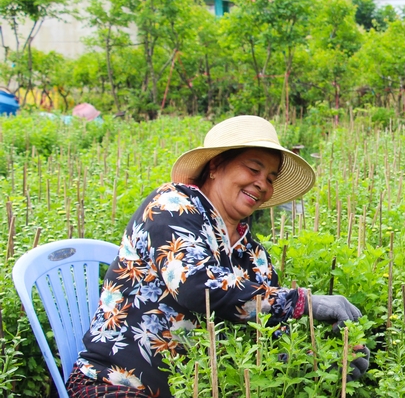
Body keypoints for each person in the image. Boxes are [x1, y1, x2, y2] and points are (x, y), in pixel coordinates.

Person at [66, 115, 368, 397]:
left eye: (271, 177)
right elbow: (197, 288)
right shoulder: (172, 205)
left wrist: (320, 365)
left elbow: (267, 335)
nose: (262, 183)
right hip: (116, 384)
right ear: (215, 166)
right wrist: (304, 302)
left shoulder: (252, 252)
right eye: (253, 169)